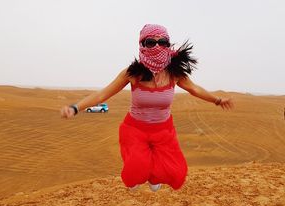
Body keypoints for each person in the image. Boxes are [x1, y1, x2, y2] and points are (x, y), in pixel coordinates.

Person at [60, 24, 234, 192]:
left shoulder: (174, 74)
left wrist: (217, 100)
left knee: (176, 173)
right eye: (151, 42)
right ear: (142, 44)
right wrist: (75, 108)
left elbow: (195, 89)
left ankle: (154, 177)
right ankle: (140, 176)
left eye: (163, 42)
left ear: (168, 45)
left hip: (163, 131)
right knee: (135, 173)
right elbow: (102, 95)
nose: (157, 46)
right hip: (135, 129)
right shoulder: (132, 73)